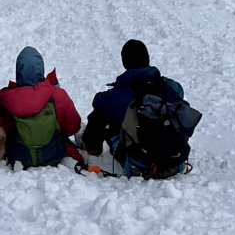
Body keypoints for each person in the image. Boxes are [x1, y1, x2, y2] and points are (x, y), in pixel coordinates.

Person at [81, 39, 200, 178]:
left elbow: (98, 101)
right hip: (176, 157)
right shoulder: (172, 87)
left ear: (125, 62)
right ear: (147, 59)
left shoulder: (117, 94)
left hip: (140, 161)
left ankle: (92, 148)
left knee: (100, 114)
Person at [0, 46, 82, 168]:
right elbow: (73, 127)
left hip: (18, 157)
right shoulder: (57, 95)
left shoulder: (6, 99)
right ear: (41, 69)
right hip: (54, 154)